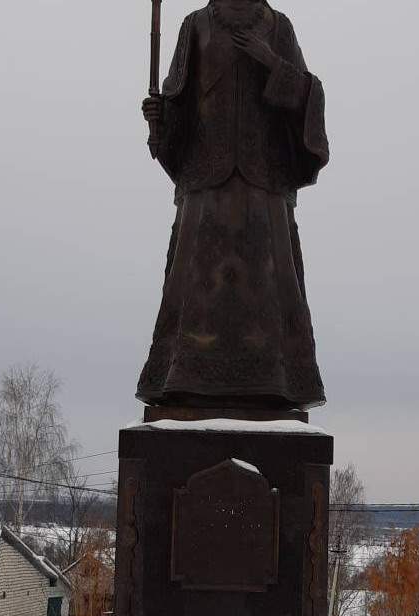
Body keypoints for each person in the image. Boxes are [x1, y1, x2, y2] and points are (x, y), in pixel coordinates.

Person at [137, 0, 330, 411]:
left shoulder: (277, 26)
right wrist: (160, 116)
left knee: (269, 280)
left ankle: (275, 381)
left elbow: (308, 94)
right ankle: (184, 380)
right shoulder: (196, 24)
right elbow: (179, 102)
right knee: (194, 281)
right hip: (206, 178)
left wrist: (270, 61)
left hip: (264, 180)